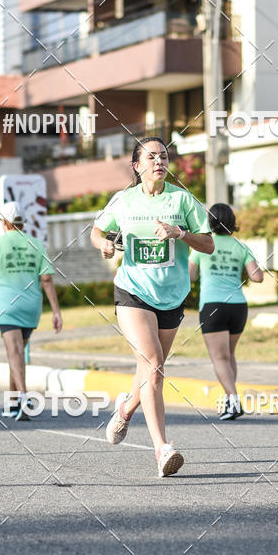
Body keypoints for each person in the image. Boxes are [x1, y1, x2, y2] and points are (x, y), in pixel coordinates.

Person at [90, 137, 214, 477]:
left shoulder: (183, 200)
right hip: (133, 291)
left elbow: (208, 244)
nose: (159, 161)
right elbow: (97, 231)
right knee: (153, 363)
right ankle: (163, 449)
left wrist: (180, 233)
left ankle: (125, 410)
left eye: (163, 156)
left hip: (172, 295)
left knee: (150, 371)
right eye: (151, 157)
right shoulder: (124, 200)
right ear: (137, 165)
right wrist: (104, 245)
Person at [0, 201, 62, 420]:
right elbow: (46, 279)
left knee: (14, 353)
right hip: (31, 307)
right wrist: (56, 311)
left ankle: (24, 397)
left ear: (5, 222)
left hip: (7, 306)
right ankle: (13, 403)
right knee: (16, 354)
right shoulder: (36, 244)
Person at [188, 203, 263, 421]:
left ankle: (233, 400)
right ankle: (231, 402)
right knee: (229, 355)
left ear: (209, 221)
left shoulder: (202, 245)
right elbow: (257, 277)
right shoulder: (241, 246)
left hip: (213, 306)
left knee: (219, 358)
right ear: (232, 222)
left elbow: (190, 276)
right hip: (238, 306)